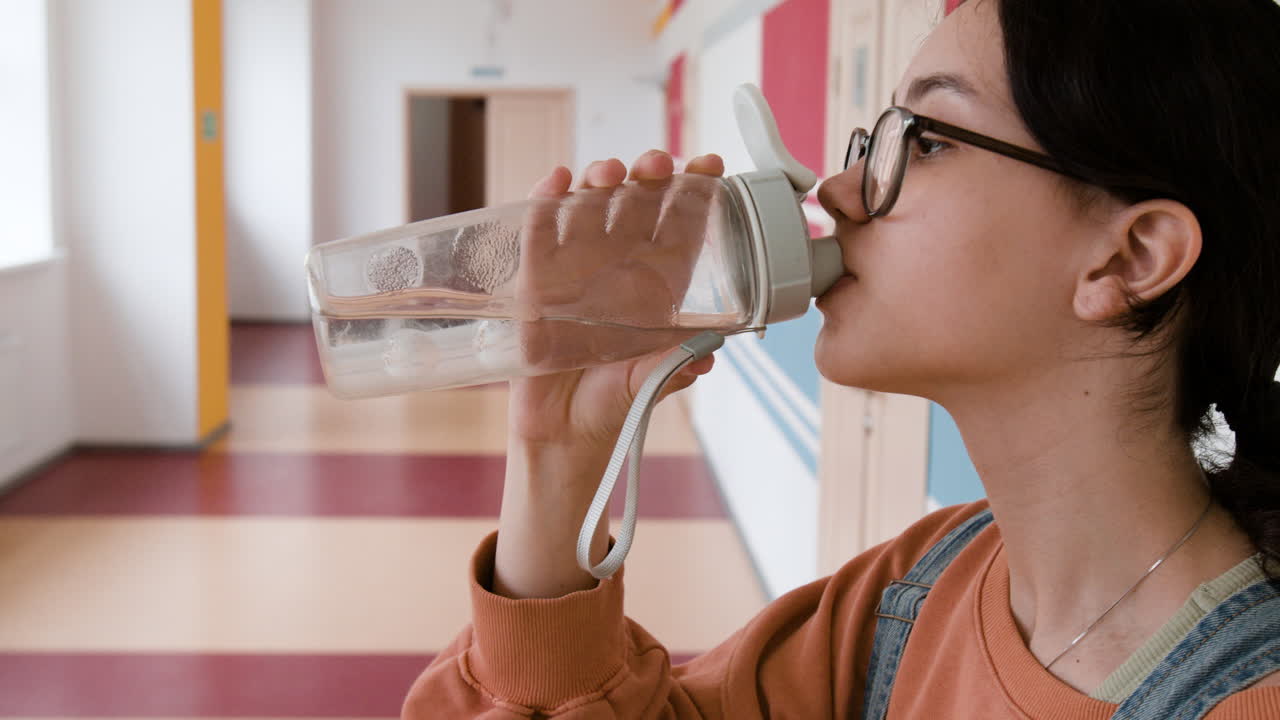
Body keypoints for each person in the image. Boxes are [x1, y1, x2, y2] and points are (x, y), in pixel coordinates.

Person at [403, 0, 1280, 716]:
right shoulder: (914, 590)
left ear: (1129, 259)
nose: (837, 191)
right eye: (879, 135)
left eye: (928, 139)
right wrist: (557, 458)